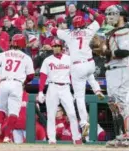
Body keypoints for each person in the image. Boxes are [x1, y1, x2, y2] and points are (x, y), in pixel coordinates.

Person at [50, 5, 105, 137]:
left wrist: (53, 25)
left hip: (77, 67)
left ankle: (84, 122)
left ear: (74, 25)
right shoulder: (89, 30)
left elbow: (52, 31)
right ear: (84, 23)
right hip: (90, 63)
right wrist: (88, 8)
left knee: (79, 98)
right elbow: (101, 18)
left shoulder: (68, 34)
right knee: (89, 74)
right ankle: (97, 89)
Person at [0, 34, 35, 143]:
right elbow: (31, 75)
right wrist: (25, 83)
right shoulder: (26, 57)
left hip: (4, 82)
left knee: (1, 109)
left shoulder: (3, 54)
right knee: (13, 113)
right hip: (17, 84)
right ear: (22, 44)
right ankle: (6, 136)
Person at [37, 39, 82, 145]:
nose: (56, 47)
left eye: (58, 45)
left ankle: (76, 137)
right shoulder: (48, 60)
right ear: (52, 48)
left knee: (71, 113)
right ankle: (52, 139)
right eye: (54, 46)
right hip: (52, 86)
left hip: (65, 87)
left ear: (61, 47)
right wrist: (40, 91)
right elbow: (43, 76)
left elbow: (72, 76)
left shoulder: (69, 59)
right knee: (51, 115)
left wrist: (75, 90)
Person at [102, 5, 129, 147]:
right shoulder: (113, 31)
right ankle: (120, 136)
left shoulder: (124, 31)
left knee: (120, 104)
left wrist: (108, 53)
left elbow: (125, 52)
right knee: (113, 104)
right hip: (111, 70)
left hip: (120, 69)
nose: (109, 17)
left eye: (113, 14)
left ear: (121, 15)